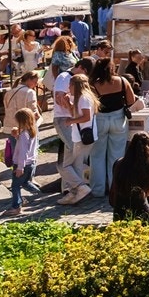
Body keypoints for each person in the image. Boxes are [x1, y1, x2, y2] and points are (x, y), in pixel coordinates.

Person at [88, 57, 135, 204]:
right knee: (116, 155)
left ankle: (97, 190)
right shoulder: (122, 81)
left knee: (97, 156)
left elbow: (90, 103)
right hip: (118, 118)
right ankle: (115, 188)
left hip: (100, 118)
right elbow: (131, 100)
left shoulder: (93, 84)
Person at [58, 70, 96, 204]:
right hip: (80, 136)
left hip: (79, 136)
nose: (68, 88)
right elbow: (76, 113)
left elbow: (86, 116)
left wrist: (70, 122)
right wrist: (68, 104)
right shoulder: (82, 98)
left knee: (64, 166)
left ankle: (81, 188)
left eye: (70, 85)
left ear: (76, 85)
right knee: (76, 166)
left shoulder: (84, 98)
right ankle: (76, 194)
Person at [7, 106, 39, 214]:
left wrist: (20, 167)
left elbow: (23, 152)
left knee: (15, 186)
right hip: (31, 163)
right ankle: (40, 194)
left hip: (23, 164)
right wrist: (17, 137)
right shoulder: (32, 131)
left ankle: (16, 206)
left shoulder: (25, 134)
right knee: (25, 182)